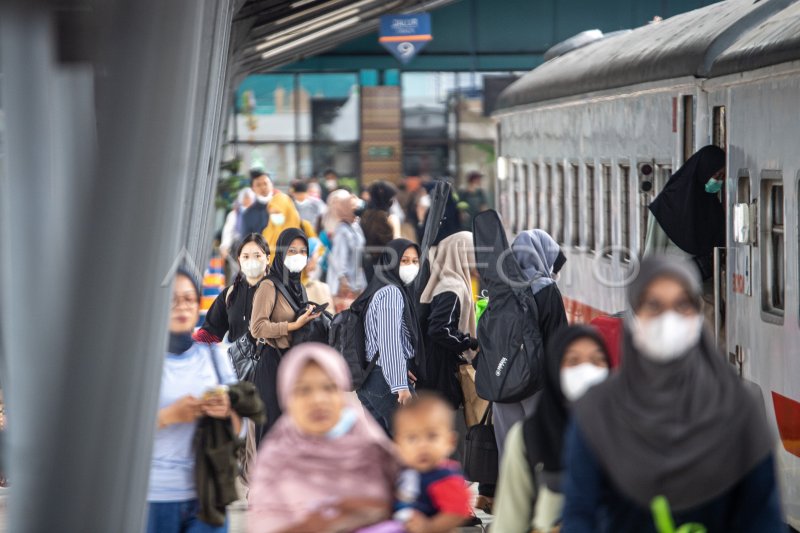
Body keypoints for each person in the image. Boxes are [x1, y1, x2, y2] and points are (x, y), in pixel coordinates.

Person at [561, 256, 783, 533]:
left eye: (682, 305)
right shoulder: (598, 409)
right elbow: (580, 514)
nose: (669, 318)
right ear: (635, 314)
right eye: (654, 305)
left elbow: (762, 517)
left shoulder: (739, 408)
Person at [248, 343, 399, 533]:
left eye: (329, 388)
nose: (318, 400)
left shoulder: (372, 450)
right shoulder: (275, 461)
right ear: (286, 398)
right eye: (303, 390)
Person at [493, 325, 611, 533]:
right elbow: (508, 523)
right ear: (554, 369)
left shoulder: (629, 430)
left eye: (596, 361)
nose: (586, 370)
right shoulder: (529, 436)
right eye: (573, 361)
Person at [147, 269, 241, 533]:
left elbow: (239, 429)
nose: (182, 307)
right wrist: (170, 416)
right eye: (173, 300)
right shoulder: (141, 362)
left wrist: (226, 412)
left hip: (208, 494)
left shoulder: (214, 357)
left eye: (189, 299)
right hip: (153, 498)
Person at [493, 229, 568, 457]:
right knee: (541, 448)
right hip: (537, 382)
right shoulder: (546, 288)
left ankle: (510, 491)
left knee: (510, 451)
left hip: (503, 379)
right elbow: (559, 339)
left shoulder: (500, 288)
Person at [250, 228, 321, 441]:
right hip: (272, 361)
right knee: (269, 429)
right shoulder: (269, 286)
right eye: (291, 251)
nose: (298, 256)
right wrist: (292, 326)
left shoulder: (299, 287)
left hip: (293, 365)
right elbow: (257, 327)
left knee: (291, 430)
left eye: (302, 251)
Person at [351, 239, 425, 435]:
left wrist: (400, 369)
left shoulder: (378, 288)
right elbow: (389, 343)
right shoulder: (391, 293)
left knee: (383, 451)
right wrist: (400, 384)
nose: (411, 267)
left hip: (370, 379)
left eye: (415, 261)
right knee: (412, 441)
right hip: (385, 382)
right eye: (404, 261)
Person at [392, 393, 473, 533]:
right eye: (412, 438)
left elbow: (457, 512)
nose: (422, 445)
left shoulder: (445, 477)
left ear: (450, 442)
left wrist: (430, 527)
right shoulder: (403, 472)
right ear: (399, 445)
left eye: (432, 436)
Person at [194, 233, 269, 345]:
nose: (252, 261)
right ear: (239, 260)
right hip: (238, 361)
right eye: (246, 257)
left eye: (257, 256)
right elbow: (210, 332)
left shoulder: (279, 292)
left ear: (268, 259)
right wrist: (188, 344)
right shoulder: (230, 294)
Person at [325, 189, 367, 306]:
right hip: (345, 285)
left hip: (357, 280)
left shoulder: (355, 226)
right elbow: (339, 259)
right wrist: (343, 281)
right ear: (345, 208)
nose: (357, 208)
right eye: (353, 206)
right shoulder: (342, 230)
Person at [261, 192, 316, 261]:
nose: (274, 216)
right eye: (272, 213)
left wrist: (314, 259)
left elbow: (318, 248)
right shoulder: (267, 231)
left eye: (278, 212)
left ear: (288, 211)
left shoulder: (304, 226)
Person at [219, 187, 254, 261]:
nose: (248, 200)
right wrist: (225, 246)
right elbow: (228, 231)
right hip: (238, 247)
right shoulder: (235, 214)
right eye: (246, 198)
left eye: (249, 198)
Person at [241, 169, 274, 236]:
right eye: (258, 185)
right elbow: (246, 240)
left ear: (272, 184)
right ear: (253, 189)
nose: (263, 187)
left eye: (265, 183)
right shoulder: (248, 214)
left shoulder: (284, 206)